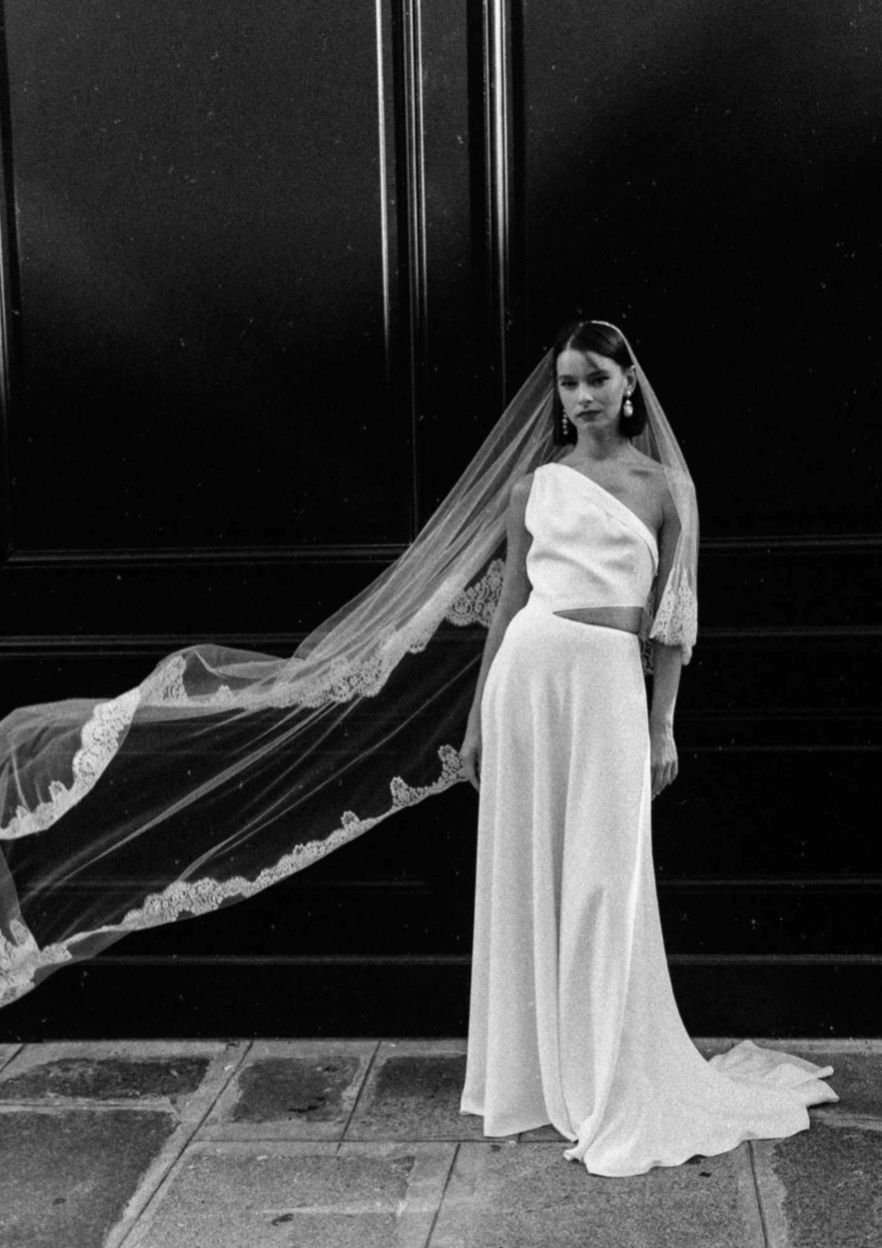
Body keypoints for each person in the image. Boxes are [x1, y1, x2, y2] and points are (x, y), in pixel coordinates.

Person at [456, 319, 837, 1177]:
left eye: (596, 378)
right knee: (530, 873)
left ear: (629, 383)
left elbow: (672, 623)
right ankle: (537, 1077)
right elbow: (509, 604)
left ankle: (606, 1075)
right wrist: (478, 718)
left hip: (608, 689)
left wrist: (663, 725)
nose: (583, 396)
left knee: (605, 881)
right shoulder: (533, 487)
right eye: (568, 383)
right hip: (528, 681)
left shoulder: (667, 490)